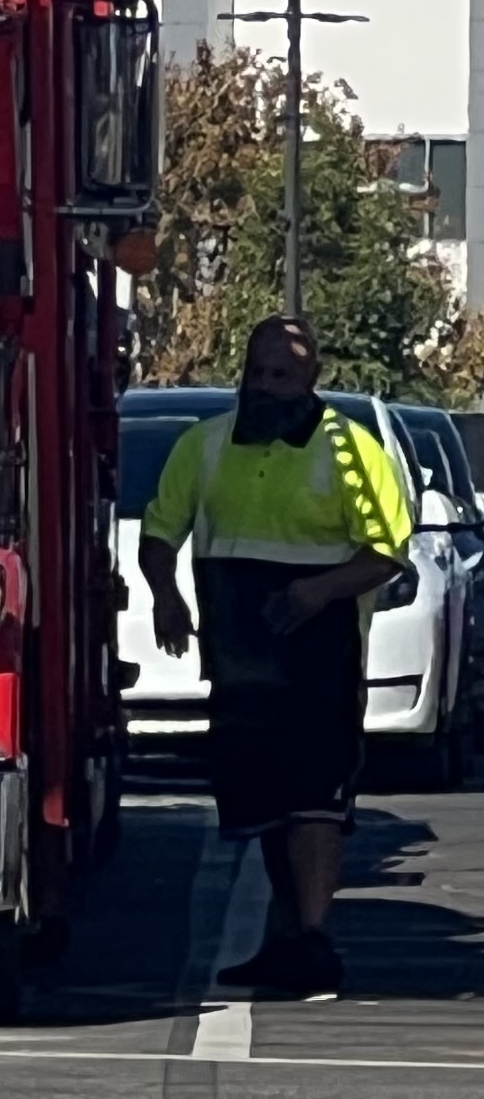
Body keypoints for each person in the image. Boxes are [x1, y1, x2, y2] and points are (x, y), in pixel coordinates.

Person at [138, 318, 413, 999]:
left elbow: (387, 550)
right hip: (240, 654)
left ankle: (314, 937)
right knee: (263, 803)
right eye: (257, 373)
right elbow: (158, 531)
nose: (266, 387)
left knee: (316, 798)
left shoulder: (352, 451)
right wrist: (165, 596)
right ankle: (285, 938)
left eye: (281, 376)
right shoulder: (203, 447)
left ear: (311, 378)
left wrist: (319, 589)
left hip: (320, 651)